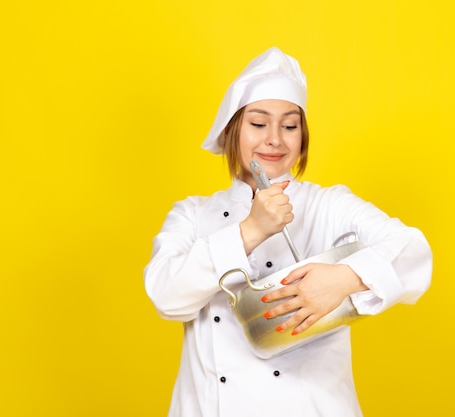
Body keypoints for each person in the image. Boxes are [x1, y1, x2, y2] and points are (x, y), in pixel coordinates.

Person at [144, 47, 432, 417]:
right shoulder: (194, 215)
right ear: (233, 130)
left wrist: (343, 279)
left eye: (290, 125)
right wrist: (250, 230)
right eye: (259, 124)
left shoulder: (328, 206)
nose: (275, 140)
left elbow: (413, 250)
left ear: (303, 135)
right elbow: (166, 296)